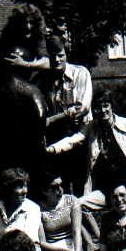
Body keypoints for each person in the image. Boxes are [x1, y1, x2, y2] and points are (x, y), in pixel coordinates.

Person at [0, 4, 50, 208]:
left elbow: (46, 63)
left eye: (32, 23)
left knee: (30, 155)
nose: (28, 27)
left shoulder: (36, 40)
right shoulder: (0, 38)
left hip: (23, 99)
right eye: (25, 23)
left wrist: (24, 65)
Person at [46, 89, 126, 210]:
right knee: (78, 205)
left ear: (112, 107)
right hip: (105, 191)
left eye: (106, 106)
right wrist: (51, 149)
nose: (103, 110)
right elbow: (74, 140)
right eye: (98, 107)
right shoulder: (92, 127)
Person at [38, 35, 93, 197]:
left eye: (60, 55)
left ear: (67, 54)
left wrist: (53, 119)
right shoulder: (45, 80)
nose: (56, 59)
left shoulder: (80, 73)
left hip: (79, 138)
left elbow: (82, 107)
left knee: (80, 191)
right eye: (52, 55)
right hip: (57, 138)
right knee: (60, 189)